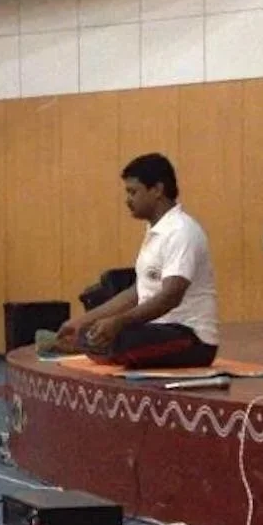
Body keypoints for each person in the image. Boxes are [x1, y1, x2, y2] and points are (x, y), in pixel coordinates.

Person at [56, 153, 219, 369]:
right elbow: (136, 293)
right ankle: (93, 345)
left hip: (192, 339)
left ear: (158, 190)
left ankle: (98, 348)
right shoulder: (156, 231)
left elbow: (170, 297)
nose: (128, 200)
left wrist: (118, 322)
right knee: (93, 332)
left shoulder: (181, 231)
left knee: (118, 339)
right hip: (156, 330)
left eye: (133, 192)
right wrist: (82, 321)